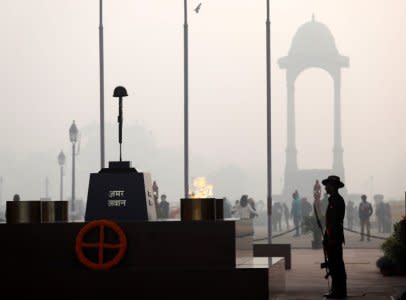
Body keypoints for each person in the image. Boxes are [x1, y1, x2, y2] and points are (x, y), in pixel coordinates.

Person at [321, 175, 347, 299]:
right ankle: (336, 289)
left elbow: (335, 222)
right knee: (333, 264)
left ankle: (339, 291)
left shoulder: (337, 200)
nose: (325, 187)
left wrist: (331, 238)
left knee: (337, 265)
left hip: (335, 237)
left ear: (333, 186)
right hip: (332, 236)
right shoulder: (333, 199)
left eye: (327, 185)